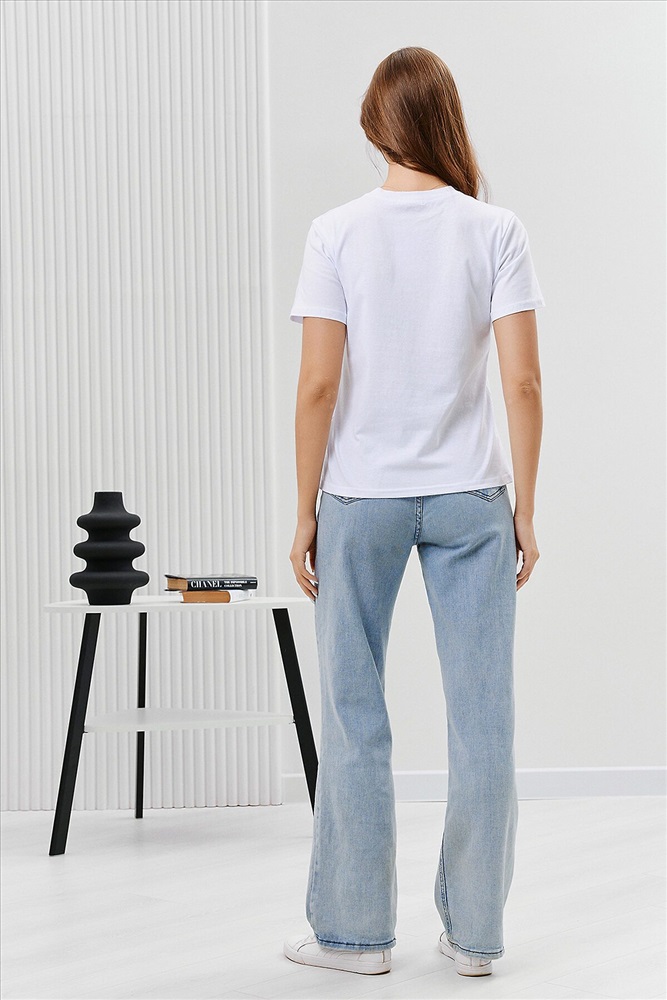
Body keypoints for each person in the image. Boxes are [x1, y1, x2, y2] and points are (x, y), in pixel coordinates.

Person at [283, 46, 545, 980]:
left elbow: (318, 388)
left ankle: (354, 938)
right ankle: (474, 937)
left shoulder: (336, 233)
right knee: (483, 722)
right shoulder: (495, 229)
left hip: (361, 496)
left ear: (374, 126)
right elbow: (522, 380)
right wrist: (525, 508)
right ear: (445, 121)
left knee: (354, 714)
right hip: (472, 497)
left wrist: (304, 510)